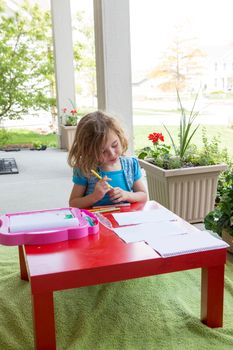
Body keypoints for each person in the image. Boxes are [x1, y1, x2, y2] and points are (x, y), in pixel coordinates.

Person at [68, 111, 148, 208]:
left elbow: (143, 196)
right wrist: (94, 197)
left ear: (120, 137)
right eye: (103, 151)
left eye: (114, 145)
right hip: (97, 220)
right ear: (88, 151)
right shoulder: (85, 169)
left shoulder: (131, 164)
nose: (112, 153)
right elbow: (74, 203)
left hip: (126, 219)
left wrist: (127, 195)